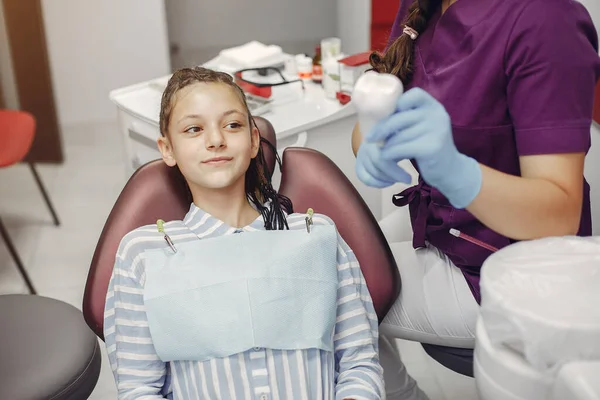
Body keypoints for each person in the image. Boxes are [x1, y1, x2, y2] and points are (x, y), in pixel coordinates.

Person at [352, 0, 600, 399]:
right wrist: (372, 137)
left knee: (327, 289)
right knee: (324, 253)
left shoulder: (546, 20)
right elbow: (371, 122)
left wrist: (455, 170)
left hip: (506, 265)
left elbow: (559, 215)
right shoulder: (423, 6)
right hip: (440, 219)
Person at [104, 66, 384, 399]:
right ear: (167, 149)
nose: (216, 140)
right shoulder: (145, 255)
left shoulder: (314, 236)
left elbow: (359, 364)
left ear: (253, 141)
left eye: (232, 125)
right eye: (193, 129)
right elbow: (139, 389)